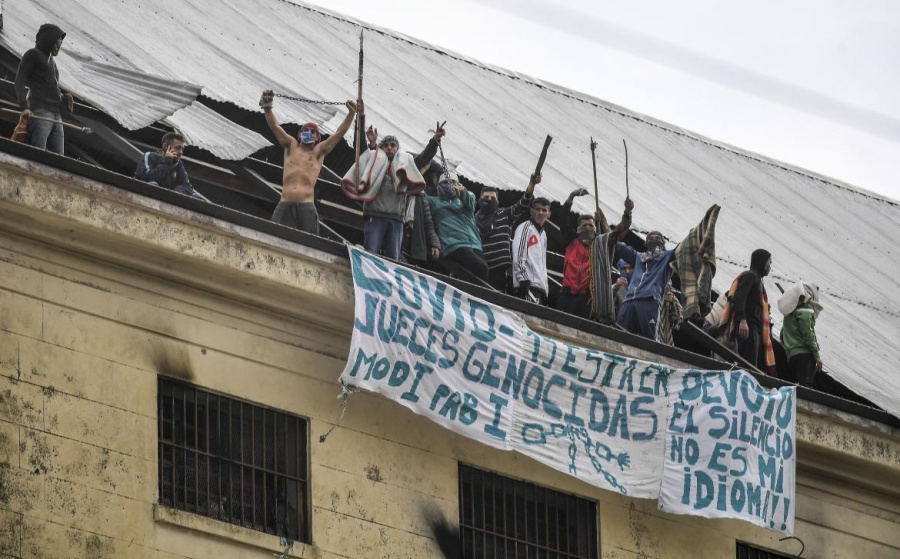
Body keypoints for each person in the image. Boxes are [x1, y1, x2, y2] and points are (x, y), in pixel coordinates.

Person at [260, 89, 358, 235]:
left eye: (313, 131)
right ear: (300, 134)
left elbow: (339, 133)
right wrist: (267, 106)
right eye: (306, 130)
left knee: (310, 240)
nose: (309, 133)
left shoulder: (318, 152)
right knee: (274, 236)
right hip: (285, 201)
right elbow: (275, 126)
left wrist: (351, 114)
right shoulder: (291, 145)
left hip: (306, 204)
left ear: (317, 137)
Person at [342, 134, 428, 260]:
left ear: (397, 149)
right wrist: (361, 122)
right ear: (381, 148)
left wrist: (435, 141)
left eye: (393, 145)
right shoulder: (372, 161)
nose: (389, 148)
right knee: (371, 255)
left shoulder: (405, 165)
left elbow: (423, 159)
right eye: (386, 145)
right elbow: (361, 150)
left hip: (396, 219)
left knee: (393, 260)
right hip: (375, 216)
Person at [556, 191, 633, 319]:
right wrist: (571, 197)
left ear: (595, 228)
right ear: (578, 228)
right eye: (584, 225)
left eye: (591, 225)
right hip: (567, 295)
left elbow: (618, 232)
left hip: (588, 299)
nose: (588, 227)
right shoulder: (571, 240)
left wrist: (627, 212)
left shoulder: (601, 244)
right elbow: (563, 219)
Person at [14, 23, 73, 154]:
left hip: (56, 114)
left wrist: (63, 95)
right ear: (49, 40)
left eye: (61, 43)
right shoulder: (33, 54)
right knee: (38, 153)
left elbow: (49, 85)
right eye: (57, 42)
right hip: (40, 112)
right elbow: (19, 81)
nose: (59, 46)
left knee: (59, 158)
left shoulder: (52, 62)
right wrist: (24, 107)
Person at [475, 174, 540, 292]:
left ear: (497, 201)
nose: (489, 200)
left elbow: (523, 203)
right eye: (486, 197)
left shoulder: (504, 214)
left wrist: (532, 184)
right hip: (480, 267)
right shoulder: (473, 220)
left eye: (493, 198)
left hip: (498, 268)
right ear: (480, 200)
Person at [426, 171, 490, 284]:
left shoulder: (466, 198)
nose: (448, 185)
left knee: (478, 274)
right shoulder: (435, 202)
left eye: (452, 182)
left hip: (475, 245)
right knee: (482, 269)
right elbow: (421, 196)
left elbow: (470, 200)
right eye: (444, 182)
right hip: (455, 245)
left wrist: (462, 192)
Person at [722, 249, 776, 374]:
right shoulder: (750, 276)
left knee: (752, 363)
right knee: (748, 365)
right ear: (762, 262)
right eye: (769, 262)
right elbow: (739, 297)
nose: (770, 265)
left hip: (754, 328)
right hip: (748, 327)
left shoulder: (758, 281)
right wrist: (742, 320)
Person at [778, 282, 824, 387]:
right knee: (805, 388)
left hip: (791, 356)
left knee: (794, 387)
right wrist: (816, 356)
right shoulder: (805, 310)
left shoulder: (789, 312)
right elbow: (809, 334)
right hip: (805, 355)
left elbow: (782, 335)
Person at [134, 132, 204, 199]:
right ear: (165, 146)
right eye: (178, 148)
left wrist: (177, 192)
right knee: (153, 184)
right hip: (145, 196)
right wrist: (167, 160)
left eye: (182, 149)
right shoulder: (149, 156)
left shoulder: (178, 164)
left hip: (168, 199)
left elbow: (188, 186)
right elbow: (148, 178)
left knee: (196, 195)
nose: (181, 152)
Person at [512, 197, 552, 304]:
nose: (540, 212)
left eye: (544, 210)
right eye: (537, 209)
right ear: (531, 211)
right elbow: (518, 254)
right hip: (527, 285)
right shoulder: (525, 227)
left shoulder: (543, 234)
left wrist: (545, 289)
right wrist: (524, 279)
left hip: (540, 289)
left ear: (549, 214)